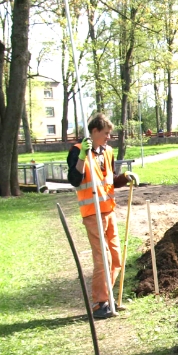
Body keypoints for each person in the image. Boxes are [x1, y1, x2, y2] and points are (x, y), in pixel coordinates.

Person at [67, 113, 139, 319]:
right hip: (92, 213)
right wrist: (82, 158)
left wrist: (125, 177)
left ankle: (107, 298)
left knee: (116, 257)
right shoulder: (78, 151)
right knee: (103, 258)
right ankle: (100, 304)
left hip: (109, 210)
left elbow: (111, 180)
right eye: (106, 133)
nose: (109, 137)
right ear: (95, 131)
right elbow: (74, 179)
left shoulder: (108, 151)